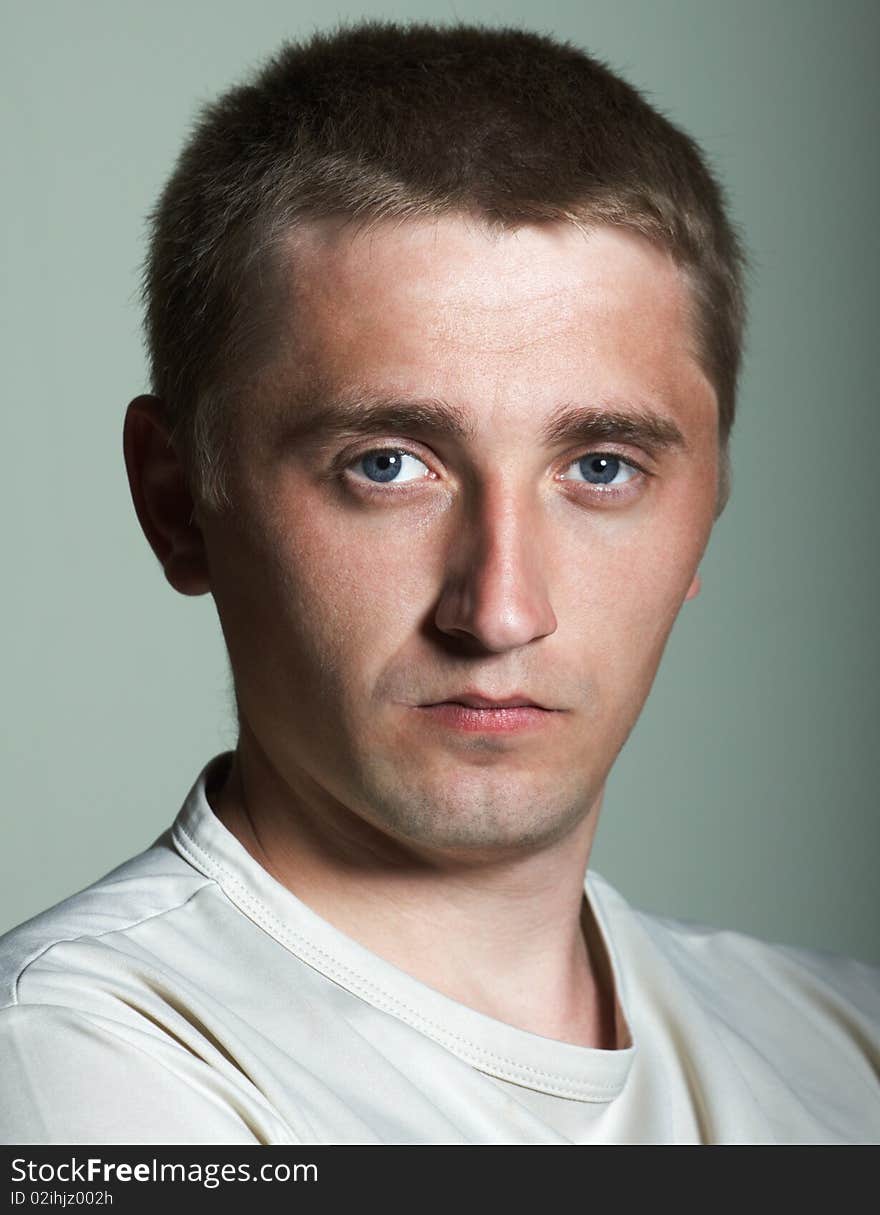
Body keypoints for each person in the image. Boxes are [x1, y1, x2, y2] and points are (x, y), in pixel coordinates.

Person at [1, 20, 877, 1147]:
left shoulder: (842, 1046)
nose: (502, 608)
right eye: (386, 466)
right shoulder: (69, 1065)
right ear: (179, 503)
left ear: (703, 509)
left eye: (600, 469)